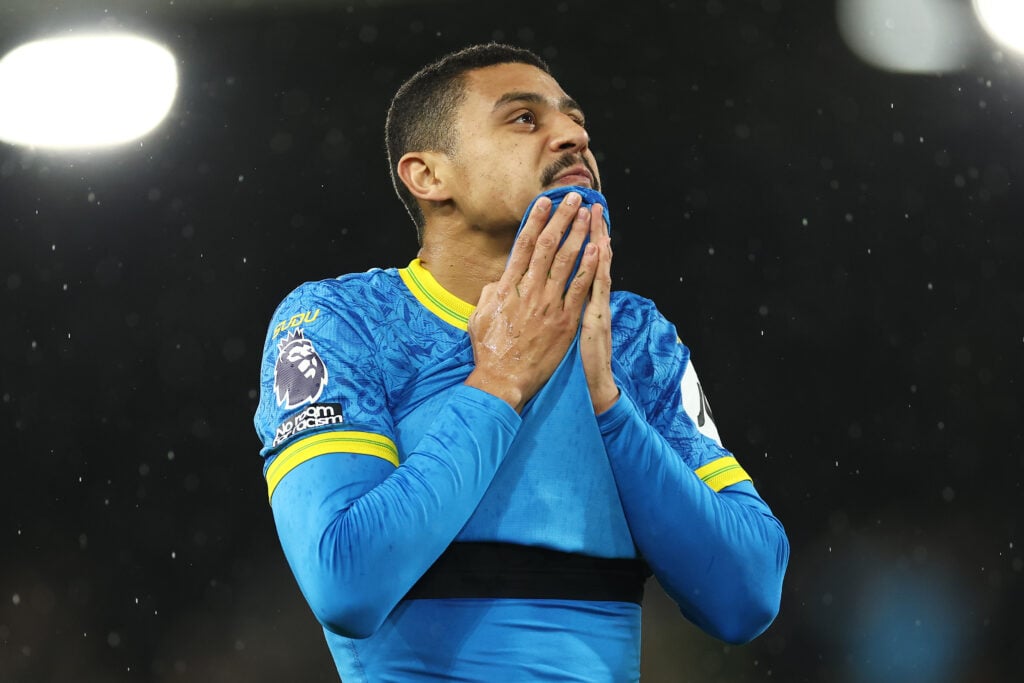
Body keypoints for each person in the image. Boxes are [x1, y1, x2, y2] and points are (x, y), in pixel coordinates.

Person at [254, 43, 789, 682]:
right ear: (428, 176)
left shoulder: (634, 337)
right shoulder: (342, 322)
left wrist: (608, 406)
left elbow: (749, 596)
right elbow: (346, 582)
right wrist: (499, 382)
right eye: (525, 119)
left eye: (575, 119)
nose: (573, 135)